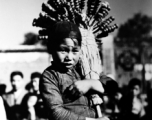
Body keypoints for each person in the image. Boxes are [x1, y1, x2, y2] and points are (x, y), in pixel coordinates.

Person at [39, 21, 117, 120]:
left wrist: (90, 84)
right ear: (51, 49)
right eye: (63, 50)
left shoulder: (87, 69)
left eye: (75, 51)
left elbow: (113, 87)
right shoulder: (49, 76)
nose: (69, 57)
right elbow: (56, 112)